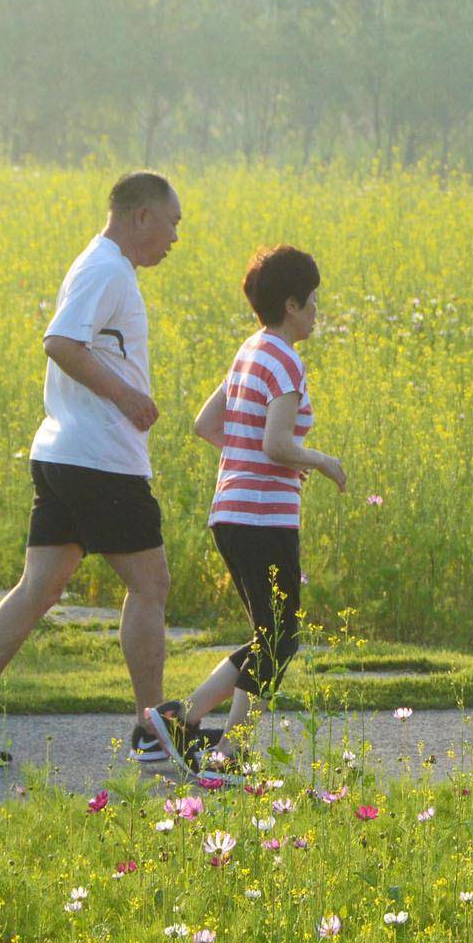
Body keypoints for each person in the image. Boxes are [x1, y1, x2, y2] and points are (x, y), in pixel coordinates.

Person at [0, 172, 182, 766]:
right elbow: (61, 343)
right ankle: (152, 728)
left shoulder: (104, 266)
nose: (176, 236)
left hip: (67, 454)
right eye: (173, 221)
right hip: (99, 460)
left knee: (40, 587)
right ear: (141, 216)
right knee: (151, 585)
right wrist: (126, 396)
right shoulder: (105, 269)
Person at [141, 244, 345, 774]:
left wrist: (254, 462)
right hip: (264, 518)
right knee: (280, 639)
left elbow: (208, 425)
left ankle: (219, 744)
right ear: (293, 305)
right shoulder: (288, 362)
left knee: (270, 637)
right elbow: (276, 445)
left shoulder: (249, 351)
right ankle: (191, 722)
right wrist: (318, 461)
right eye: (314, 300)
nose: (319, 310)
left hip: (232, 511)